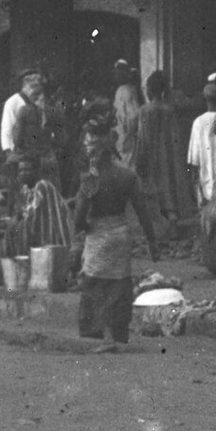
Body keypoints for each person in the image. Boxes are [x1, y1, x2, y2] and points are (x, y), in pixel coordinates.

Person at [73, 121, 158, 342]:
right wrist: (153, 243)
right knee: (118, 284)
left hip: (99, 235)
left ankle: (107, 338)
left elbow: (79, 217)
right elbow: (143, 212)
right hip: (121, 234)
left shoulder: (90, 179)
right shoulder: (127, 176)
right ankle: (114, 334)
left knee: (96, 285)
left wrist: (82, 228)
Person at [133, 70, 193, 235]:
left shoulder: (145, 111)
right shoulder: (170, 109)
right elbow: (175, 136)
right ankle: (172, 224)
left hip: (151, 156)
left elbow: (142, 137)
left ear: (149, 90)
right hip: (168, 156)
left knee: (151, 191)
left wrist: (139, 158)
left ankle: (156, 229)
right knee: (169, 189)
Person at [1, 151, 75, 259]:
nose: (23, 173)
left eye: (27, 169)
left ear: (36, 171)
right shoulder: (26, 190)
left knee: (18, 227)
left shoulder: (43, 186)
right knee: (15, 228)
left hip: (53, 243)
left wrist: (15, 221)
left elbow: (29, 215)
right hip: (42, 245)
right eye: (21, 170)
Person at [187, 81, 216, 244]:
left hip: (205, 170)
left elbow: (194, 155)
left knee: (206, 210)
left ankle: (209, 244)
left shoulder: (198, 122)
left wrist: (192, 176)